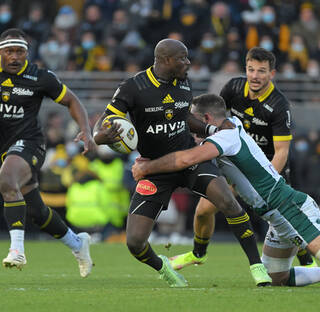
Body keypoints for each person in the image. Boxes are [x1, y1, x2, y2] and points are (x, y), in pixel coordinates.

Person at [93, 38, 271, 287]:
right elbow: (105, 122)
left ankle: (257, 266)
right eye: (182, 58)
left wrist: (210, 128)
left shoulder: (184, 81)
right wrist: (101, 137)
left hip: (190, 159)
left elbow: (184, 116)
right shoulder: (133, 87)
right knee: (134, 242)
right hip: (155, 168)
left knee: (228, 202)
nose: (188, 62)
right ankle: (163, 267)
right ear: (165, 60)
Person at [132, 93, 320, 286]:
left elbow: (186, 159)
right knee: (277, 278)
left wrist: (146, 167)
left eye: (193, 122)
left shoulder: (225, 137)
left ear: (206, 119)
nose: (190, 129)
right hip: (276, 219)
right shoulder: (231, 125)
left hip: (289, 207)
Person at [167, 46, 316, 270]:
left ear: (271, 74)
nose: (255, 76)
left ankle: (307, 262)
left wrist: (261, 184)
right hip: (233, 162)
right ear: (245, 69)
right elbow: (215, 115)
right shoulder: (234, 88)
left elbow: (282, 151)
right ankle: (198, 254)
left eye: (262, 71)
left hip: (265, 170)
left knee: (284, 225)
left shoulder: (278, 105)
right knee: (203, 210)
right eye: (251, 69)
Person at [0, 28, 95, 277]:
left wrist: (86, 130)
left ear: (27, 54)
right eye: (9, 51)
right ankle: (78, 244)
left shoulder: (40, 78)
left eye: (19, 51)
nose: (14, 56)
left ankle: (17, 250)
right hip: (3, 147)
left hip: (29, 142)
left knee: (7, 179)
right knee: (37, 211)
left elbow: (72, 101)